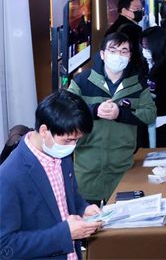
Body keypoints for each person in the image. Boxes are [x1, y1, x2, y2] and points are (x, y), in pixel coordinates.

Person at [0, 90, 102, 260]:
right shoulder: (9, 175)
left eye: (77, 140)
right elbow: (4, 247)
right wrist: (64, 234)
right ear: (44, 131)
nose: (73, 146)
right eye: (68, 140)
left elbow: (68, 196)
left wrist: (83, 209)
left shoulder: (61, 154)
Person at [68, 33, 156, 203]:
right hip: (87, 165)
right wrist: (94, 110)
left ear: (129, 56)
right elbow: (66, 109)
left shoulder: (137, 83)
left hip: (123, 166)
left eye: (124, 51)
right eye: (113, 50)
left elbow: (150, 114)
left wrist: (120, 114)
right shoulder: (83, 80)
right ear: (102, 54)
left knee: (122, 213)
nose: (118, 55)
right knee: (89, 215)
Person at [141, 26, 166, 147]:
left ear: (156, 45)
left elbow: (164, 100)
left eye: (146, 46)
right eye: (142, 46)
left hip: (165, 123)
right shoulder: (146, 64)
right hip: (147, 123)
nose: (144, 50)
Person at [104, 0, 145, 73]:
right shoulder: (131, 29)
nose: (140, 11)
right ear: (124, 10)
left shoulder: (116, 25)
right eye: (136, 8)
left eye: (141, 8)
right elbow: (136, 56)